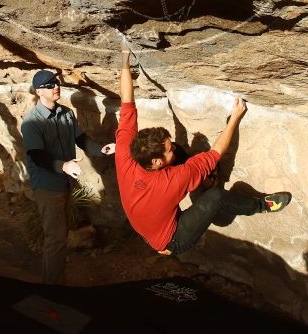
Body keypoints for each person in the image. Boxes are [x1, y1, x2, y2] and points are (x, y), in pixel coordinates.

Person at [114, 43, 291, 256]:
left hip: (149, 222)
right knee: (214, 197)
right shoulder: (172, 180)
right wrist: (234, 118)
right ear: (157, 163)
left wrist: (125, 57)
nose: (171, 150)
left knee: (179, 151)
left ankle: (203, 180)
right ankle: (262, 205)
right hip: (173, 239)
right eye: (166, 150)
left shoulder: (126, 152)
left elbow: (126, 100)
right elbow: (216, 153)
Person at [20, 70, 115, 284]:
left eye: (56, 82)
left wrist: (102, 150)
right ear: (38, 92)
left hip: (65, 181)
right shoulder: (31, 122)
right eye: (49, 85)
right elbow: (36, 156)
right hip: (47, 185)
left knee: (60, 235)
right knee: (55, 238)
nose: (56, 86)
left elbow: (81, 139)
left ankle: (55, 278)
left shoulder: (66, 113)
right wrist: (63, 166)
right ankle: (52, 287)